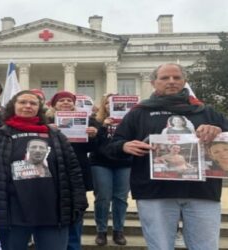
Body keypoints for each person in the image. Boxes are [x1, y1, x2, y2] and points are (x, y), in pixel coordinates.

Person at [101, 63, 228, 250]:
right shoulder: (139, 112)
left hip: (203, 192)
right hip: (155, 192)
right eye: (165, 78)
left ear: (184, 81)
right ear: (153, 83)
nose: (171, 82)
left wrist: (218, 133)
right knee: (159, 247)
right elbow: (111, 147)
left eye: (177, 78)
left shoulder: (206, 111)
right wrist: (124, 146)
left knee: (206, 246)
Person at [0, 90, 87, 250]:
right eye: (22, 102)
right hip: (11, 214)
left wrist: (79, 203)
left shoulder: (56, 135)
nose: (28, 106)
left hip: (53, 212)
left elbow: (73, 171)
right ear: (13, 106)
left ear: (39, 108)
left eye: (33, 103)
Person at [46, 91, 98, 250]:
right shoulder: (45, 121)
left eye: (69, 100)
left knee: (77, 208)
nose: (66, 103)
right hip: (52, 172)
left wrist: (94, 135)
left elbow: (94, 148)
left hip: (77, 170)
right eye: (61, 101)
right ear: (54, 104)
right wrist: (45, 131)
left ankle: (74, 246)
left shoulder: (87, 121)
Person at [89, 93, 131, 246]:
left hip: (124, 162)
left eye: (117, 103)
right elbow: (92, 144)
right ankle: (101, 231)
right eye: (108, 103)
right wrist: (103, 127)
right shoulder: (96, 121)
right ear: (104, 105)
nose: (111, 106)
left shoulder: (129, 121)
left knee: (121, 198)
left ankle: (118, 230)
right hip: (100, 162)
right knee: (103, 197)